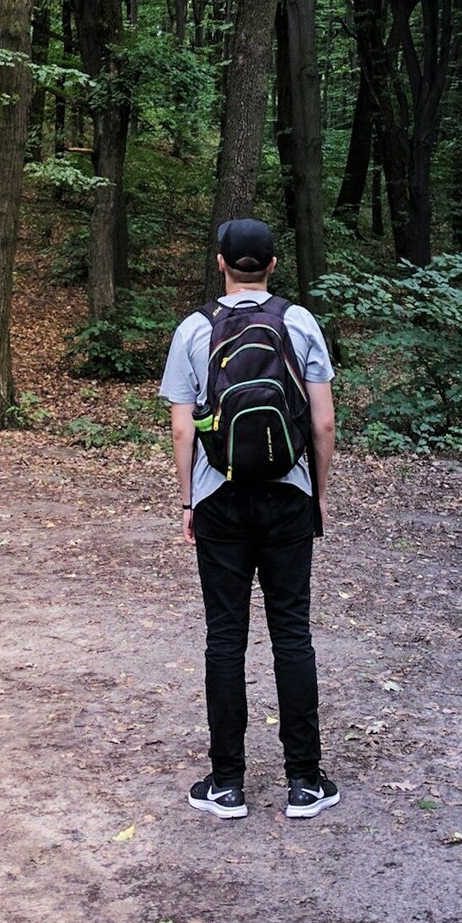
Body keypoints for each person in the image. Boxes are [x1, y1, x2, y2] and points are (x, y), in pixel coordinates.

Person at [159, 218, 339, 820]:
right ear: (272, 264)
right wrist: (316, 493)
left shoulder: (193, 328)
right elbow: (323, 424)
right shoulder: (300, 321)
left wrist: (189, 500)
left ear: (220, 263)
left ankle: (227, 783)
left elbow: (184, 426)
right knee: (292, 633)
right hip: (289, 494)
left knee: (224, 636)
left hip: (220, 497)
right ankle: (305, 782)